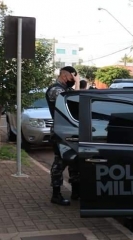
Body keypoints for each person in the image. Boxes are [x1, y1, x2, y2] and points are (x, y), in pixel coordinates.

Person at [45, 66, 81, 206]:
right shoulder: (56, 90)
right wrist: (78, 83)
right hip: (61, 130)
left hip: (71, 129)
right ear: (65, 76)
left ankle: (76, 191)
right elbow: (75, 101)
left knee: (75, 161)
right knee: (60, 161)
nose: (74, 80)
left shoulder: (67, 90)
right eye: (73, 77)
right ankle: (56, 194)